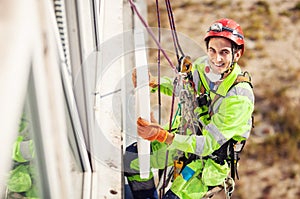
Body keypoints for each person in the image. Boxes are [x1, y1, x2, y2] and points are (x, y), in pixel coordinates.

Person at [124, 18, 254, 199]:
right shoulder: (203, 67)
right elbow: (183, 87)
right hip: (187, 139)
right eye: (212, 51)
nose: (216, 59)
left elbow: (207, 145)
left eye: (224, 52)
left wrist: (163, 136)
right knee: (132, 159)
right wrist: (154, 83)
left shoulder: (239, 98)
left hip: (208, 162)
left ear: (237, 54)